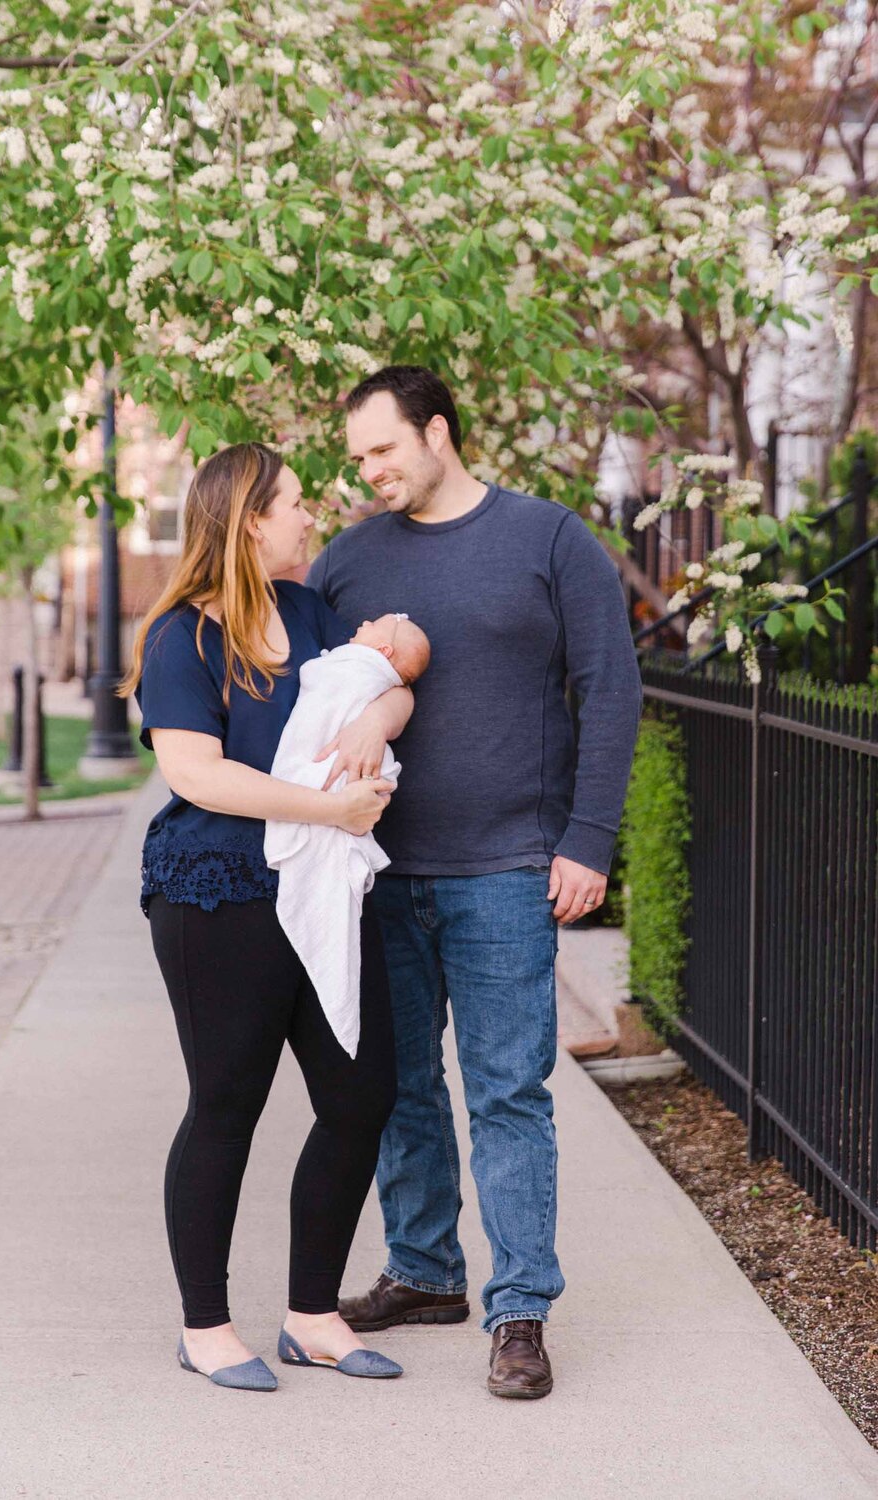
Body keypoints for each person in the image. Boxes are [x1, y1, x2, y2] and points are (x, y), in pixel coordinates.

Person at [307, 366, 643, 1400]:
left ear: (437, 433)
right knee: (400, 1091)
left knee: (506, 1092)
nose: (367, 473)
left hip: (504, 868)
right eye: (356, 457)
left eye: (382, 450)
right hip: (376, 872)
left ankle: (520, 1309)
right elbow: (308, 699)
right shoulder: (347, 563)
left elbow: (611, 685)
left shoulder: (546, 539)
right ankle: (424, 1272)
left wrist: (586, 840)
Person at [121, 442, 412, 1391]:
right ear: (250, 518)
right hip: (216, 895)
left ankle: (312, 1315)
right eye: (293, 503)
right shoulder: (182, 636)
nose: (309, 515)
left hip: (320, 889)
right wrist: (329, 808)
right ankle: (206, 1327)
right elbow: (194, 774)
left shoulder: (308, 610)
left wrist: (380, 718)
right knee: (227, 1105)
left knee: (362, 1094)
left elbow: (383, 679)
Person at [265, 614, 432, 1058]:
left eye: (375, 624)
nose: (361, 622)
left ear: (384, 654)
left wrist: (374, 721)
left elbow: (369, 685)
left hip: (336, 782)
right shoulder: (350, 654)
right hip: (315, 793)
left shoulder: (357, 667)